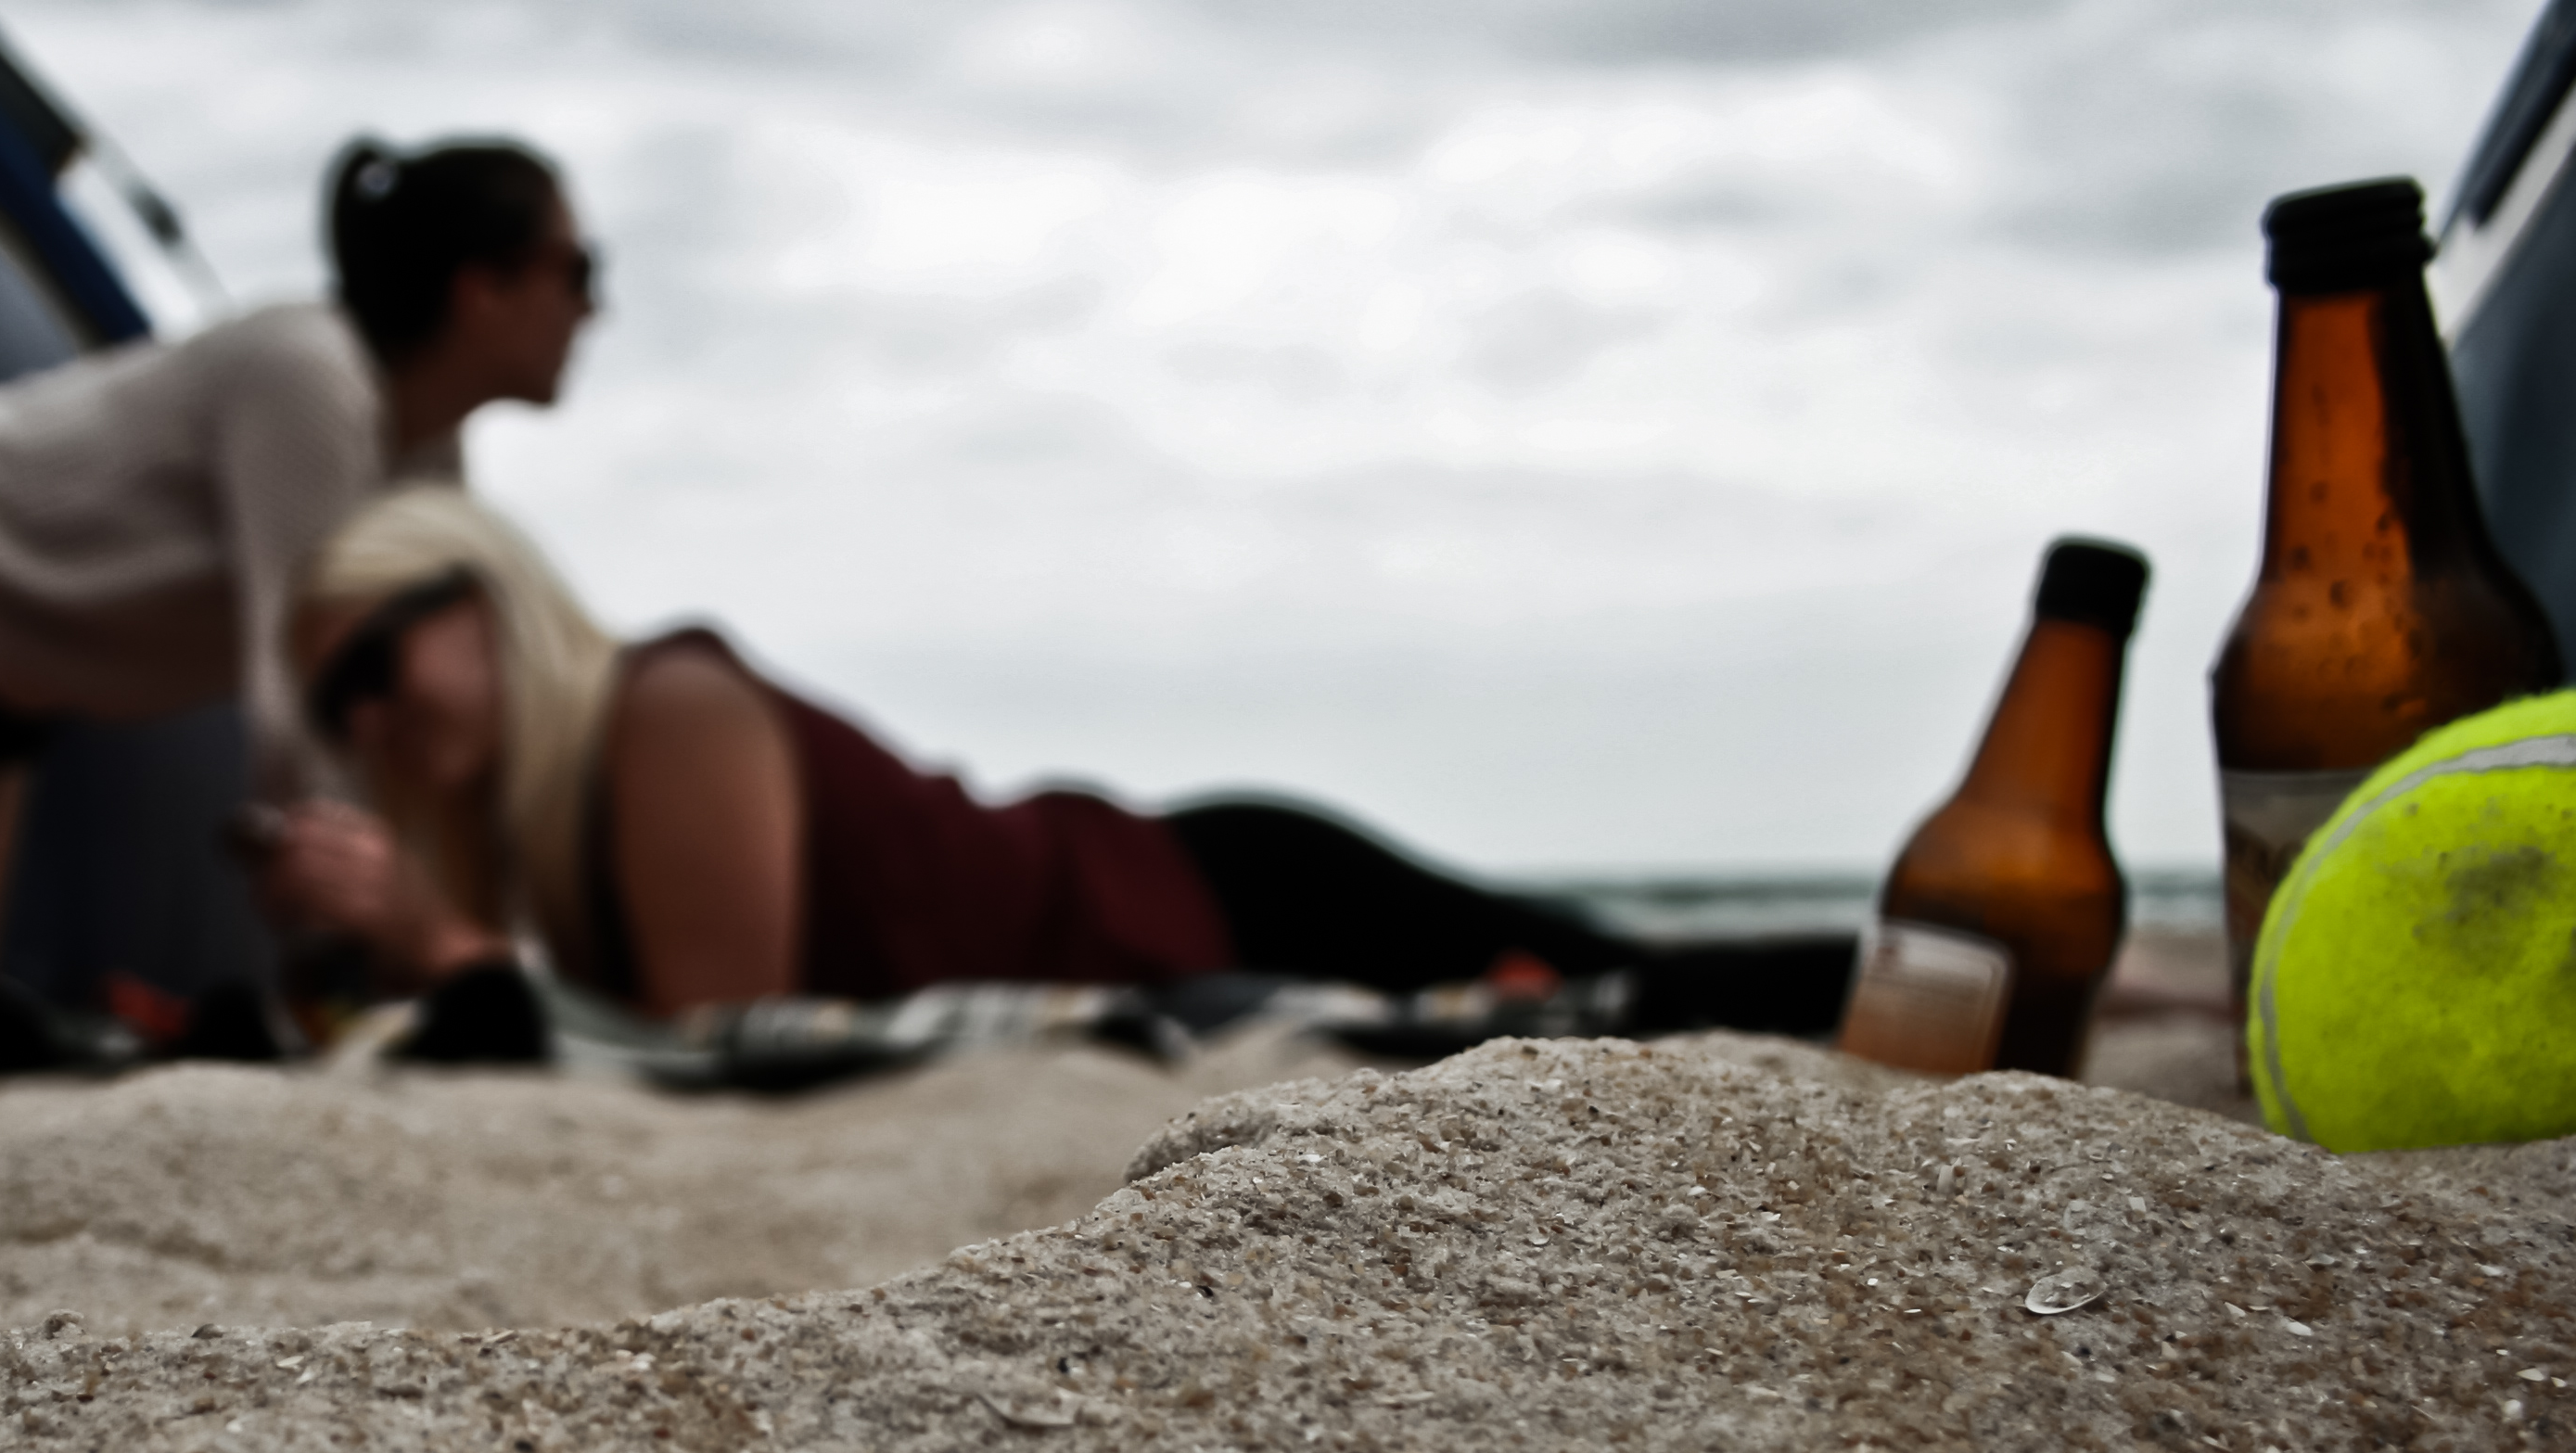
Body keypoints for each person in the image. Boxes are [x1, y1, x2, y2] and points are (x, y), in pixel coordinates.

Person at [256, 485, 1856, 1031]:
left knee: (1627, 980)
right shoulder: (553, 832)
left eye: (378, 662)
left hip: (1206, 897)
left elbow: (710, 1038)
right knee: (1610, 983)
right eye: (337, 713)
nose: (370, 727)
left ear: (484, 591)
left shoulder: (659, 708)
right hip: (1166, 907)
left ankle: (2046, 973)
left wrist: (433, 943)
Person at [0, 135, 600, 999]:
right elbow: (302, 691)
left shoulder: (428, 456)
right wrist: (364, 914)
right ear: (481, 287)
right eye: (579, 272)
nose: (593, 310)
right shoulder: (308, 374)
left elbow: (423, 710)